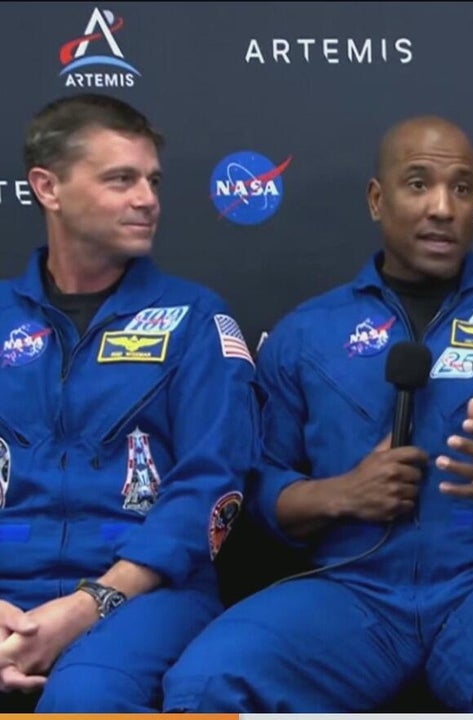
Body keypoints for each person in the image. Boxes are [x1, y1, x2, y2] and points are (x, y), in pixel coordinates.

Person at [161, 115, 473, 712]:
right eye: (419, 184)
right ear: (377, 199)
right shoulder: (307, 332)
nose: (443, 208)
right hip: (349, 586)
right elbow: (260, 484)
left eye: (462, 189)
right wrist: (341, 495)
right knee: (207, 681)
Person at [0, 93, 256, 711]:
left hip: (144, 590)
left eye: (152, 181)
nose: (147, 199)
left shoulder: (196, 320)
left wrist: (88, 605)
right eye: (121, 180)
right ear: (47, 188)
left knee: (85, 697)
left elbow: (211, 486)